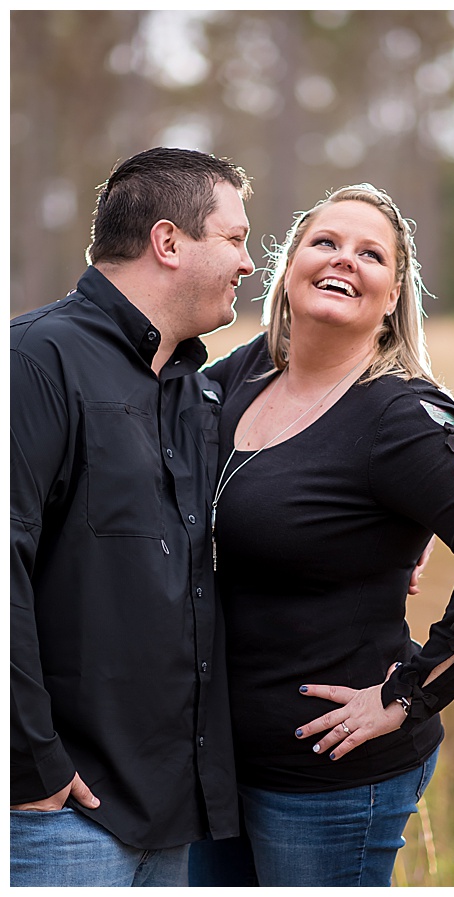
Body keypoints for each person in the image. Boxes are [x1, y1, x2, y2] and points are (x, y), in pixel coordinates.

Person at [187, 184, 454, 887]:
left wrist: (407, 694)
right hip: (215, 762)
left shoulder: (402, 414)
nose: (344, 260)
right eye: (325, 242)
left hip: (326, 782)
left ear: (392, 295)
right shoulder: (243, 374)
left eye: (370, 254)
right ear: (288, 268)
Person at [11, 147, 254, 885]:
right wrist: (32, 765)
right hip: (61, 818)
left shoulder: (191, 387)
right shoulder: (35, 360)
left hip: (174, 818)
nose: (248, 263)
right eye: (236, 238)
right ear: (169, 241)